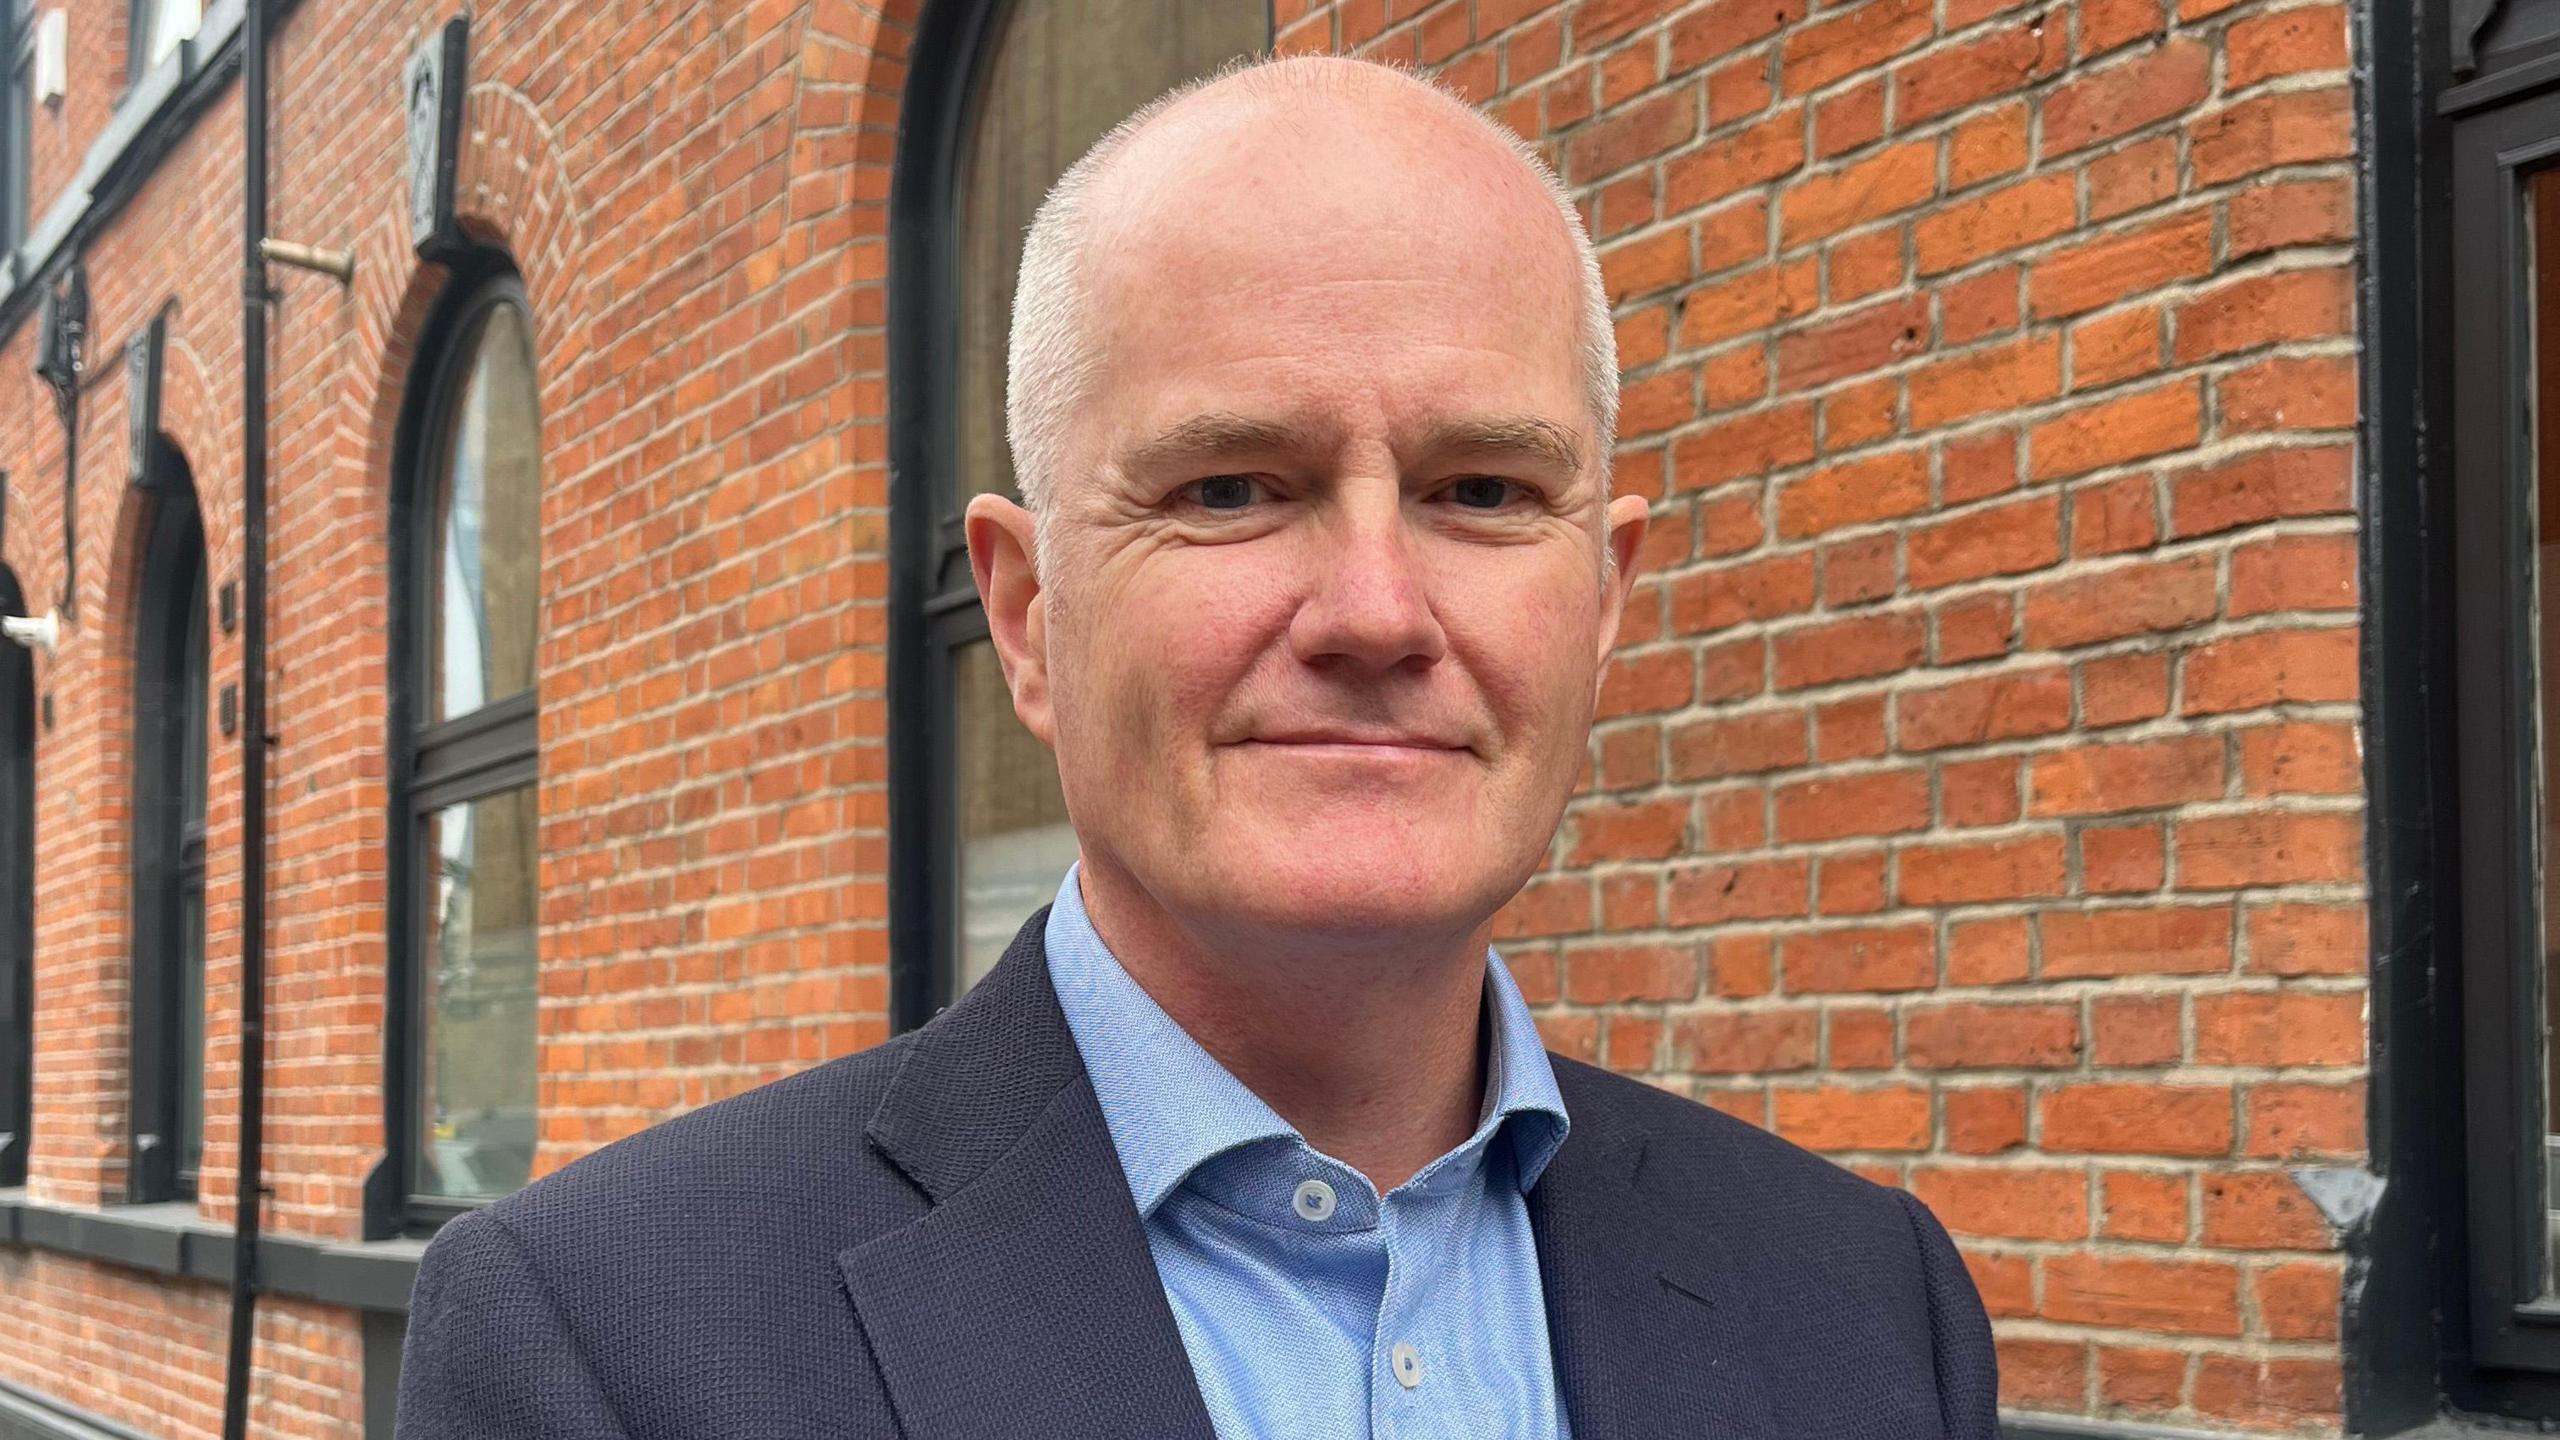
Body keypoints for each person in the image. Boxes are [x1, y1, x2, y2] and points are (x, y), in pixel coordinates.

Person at [394, 52, 1996, 1440]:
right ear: (1027, 616)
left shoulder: (1871, 1310)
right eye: (1231, 488)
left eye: (1483, 494)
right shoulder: (606, 1348)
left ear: (1602, 603)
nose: (1376, 610)